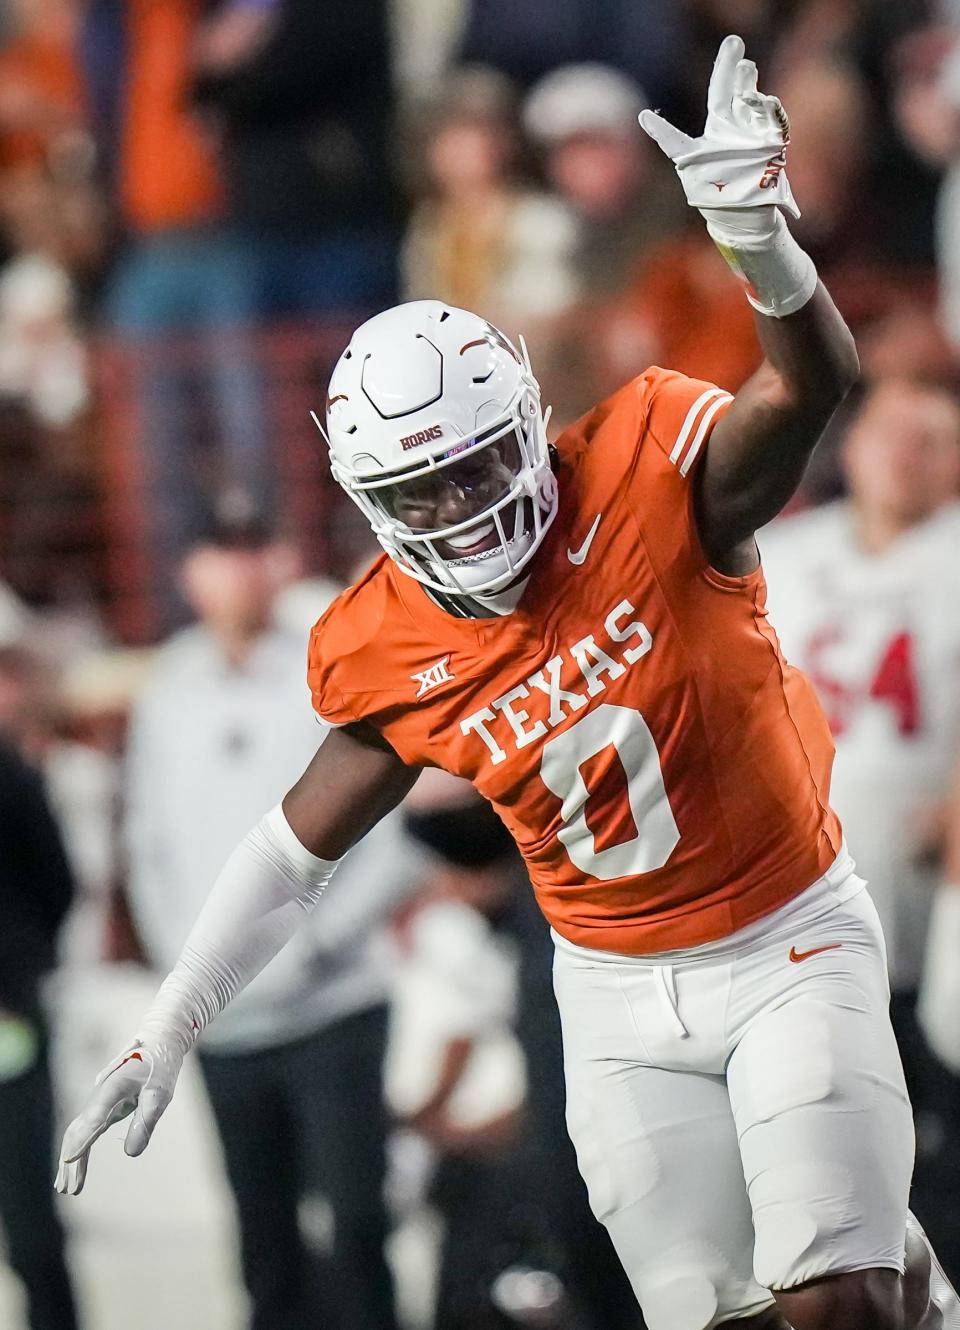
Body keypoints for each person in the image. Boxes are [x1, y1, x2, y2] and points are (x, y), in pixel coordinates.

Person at [56, 36, 958, 1330]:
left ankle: (893, 1278)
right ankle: (915, 1270)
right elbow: (289, 847)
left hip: (785, 937)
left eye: (480, 465)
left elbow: (811, 380)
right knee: (728, 1315)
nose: (466, 509)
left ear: (530, 427)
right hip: (606, 996)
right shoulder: (386, 642)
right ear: (373, 505)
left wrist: (759, 239)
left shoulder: (653, 472)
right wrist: (168, 1021)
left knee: (838, 1307)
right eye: (425, 492)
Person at [123, 516, 422, 1330]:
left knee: (360, 1222)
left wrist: (312, 943)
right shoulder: (169, 688)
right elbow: (146, 842)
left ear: (282, 558)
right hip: (227, 1025)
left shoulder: (326, 661)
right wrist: (189, 964)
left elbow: (393, 830)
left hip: (335, 1002)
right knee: (262, 1238)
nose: (239, 571)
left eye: (256, 548)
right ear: (192, 571)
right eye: (220, 551)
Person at [759, 378, 960, 1275]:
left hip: (938, 889)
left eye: (933, 439)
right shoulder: (784, 554)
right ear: (851, 444)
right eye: (893, 432)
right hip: (809, 896)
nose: (906, 455)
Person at [0, 737, 79, 1330]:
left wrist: (16, 974)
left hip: (9, 1021)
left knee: (31, 1227)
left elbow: (54, 882)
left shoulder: (9, 770)